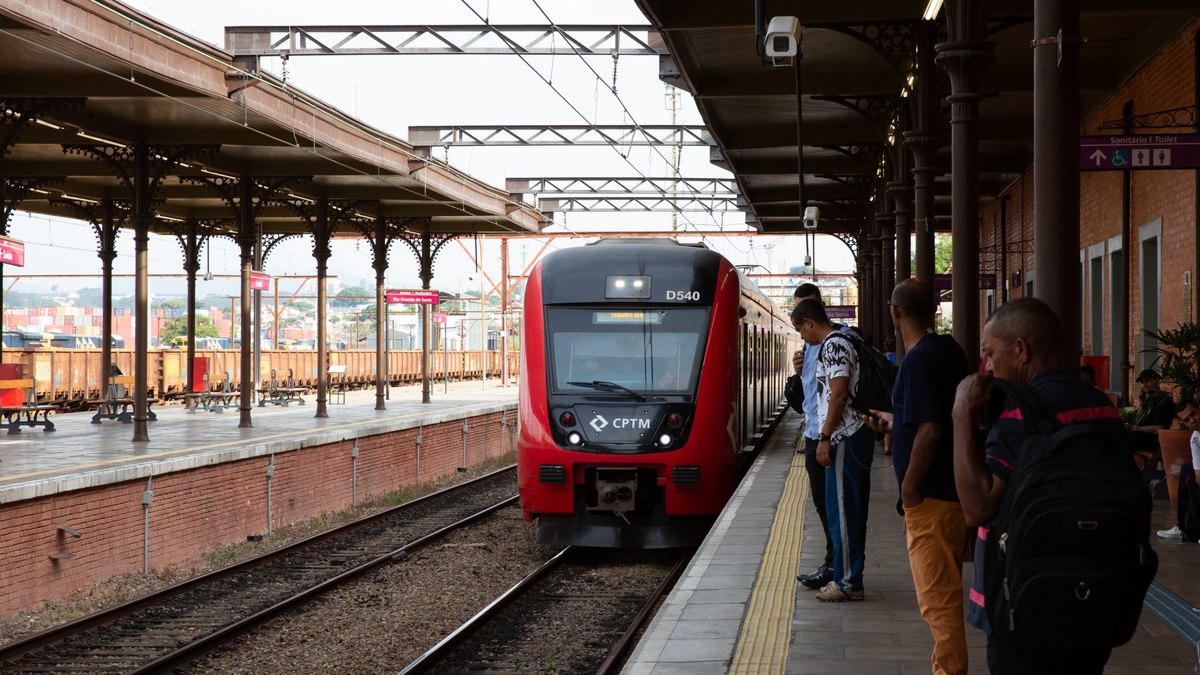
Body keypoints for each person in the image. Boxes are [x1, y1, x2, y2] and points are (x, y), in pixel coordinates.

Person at [952, 297, 1124, 674]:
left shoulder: (1020, 413)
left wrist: (961, 415)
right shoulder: (1101, 406)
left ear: (1021, 350)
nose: (987, 366)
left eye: (990, 354)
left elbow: (977, 508)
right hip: (1096, 596)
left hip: (1025, 600)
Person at [864, 279, 969, 675]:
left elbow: (930, 430)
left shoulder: (917, 360)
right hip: (952, 489)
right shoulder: (949, 351)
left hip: (931, 497)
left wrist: (909, 489)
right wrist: (893, 423)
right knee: (946, 591)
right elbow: (934, 417)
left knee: (938, 600)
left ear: (896, 312)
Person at [792, 298, 875, 602]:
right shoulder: (841, 341)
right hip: (847, 436)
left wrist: (824, 436)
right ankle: (845, 576)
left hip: (846, 437)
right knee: (842, 510)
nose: (802, 337)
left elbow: (838, 393)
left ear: (810, 322)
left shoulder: (834, 345)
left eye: (800, 330)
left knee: (844, 510)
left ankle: (848, 582)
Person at [788, 282, 840, 590]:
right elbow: (809, 395)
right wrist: (797, 371)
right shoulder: (807, 346)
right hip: (812, 432)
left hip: (827, 435)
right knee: (822, 502)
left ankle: (837, 565)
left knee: (834, 503)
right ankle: (833, 560)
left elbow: (839, 392)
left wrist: (825, 436)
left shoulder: (838, 340)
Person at [1157, 399, 1200, 541]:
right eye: (1186, 420)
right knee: (1188, 470)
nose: (1192, 420)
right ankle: (1183, 527)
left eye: (1193, 414)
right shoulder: (1195, 439)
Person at [1126, 369, 1176, 454]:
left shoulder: (1163, 399)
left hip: (1155, 439)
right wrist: (1142, 403)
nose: (1144, 384)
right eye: (1142, 382)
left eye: (1147, 381)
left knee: (1125, 440)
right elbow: (1138, 420)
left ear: (1156, 380)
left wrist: (1134, 428)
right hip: (1143, 436)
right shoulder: (1149, 398)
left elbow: (1159, 428)